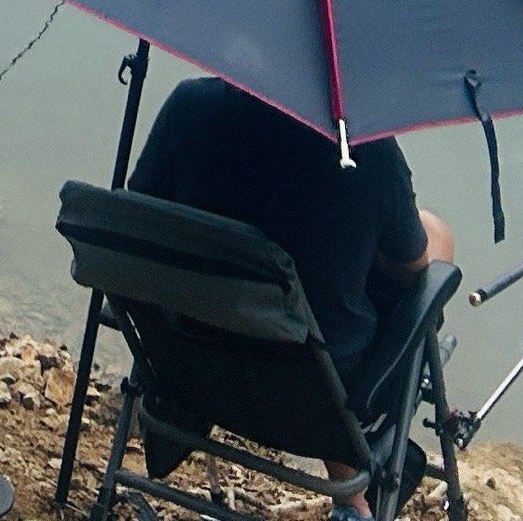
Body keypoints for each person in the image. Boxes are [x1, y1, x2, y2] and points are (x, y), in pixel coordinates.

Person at [131, 76, 454, 505]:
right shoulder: (367, 151)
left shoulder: (189, 104)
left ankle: (352, 494)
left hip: (189, 367)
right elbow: (412, 271)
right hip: (318, 407)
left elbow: (143, 213)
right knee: (432, 235)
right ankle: (353, 499)